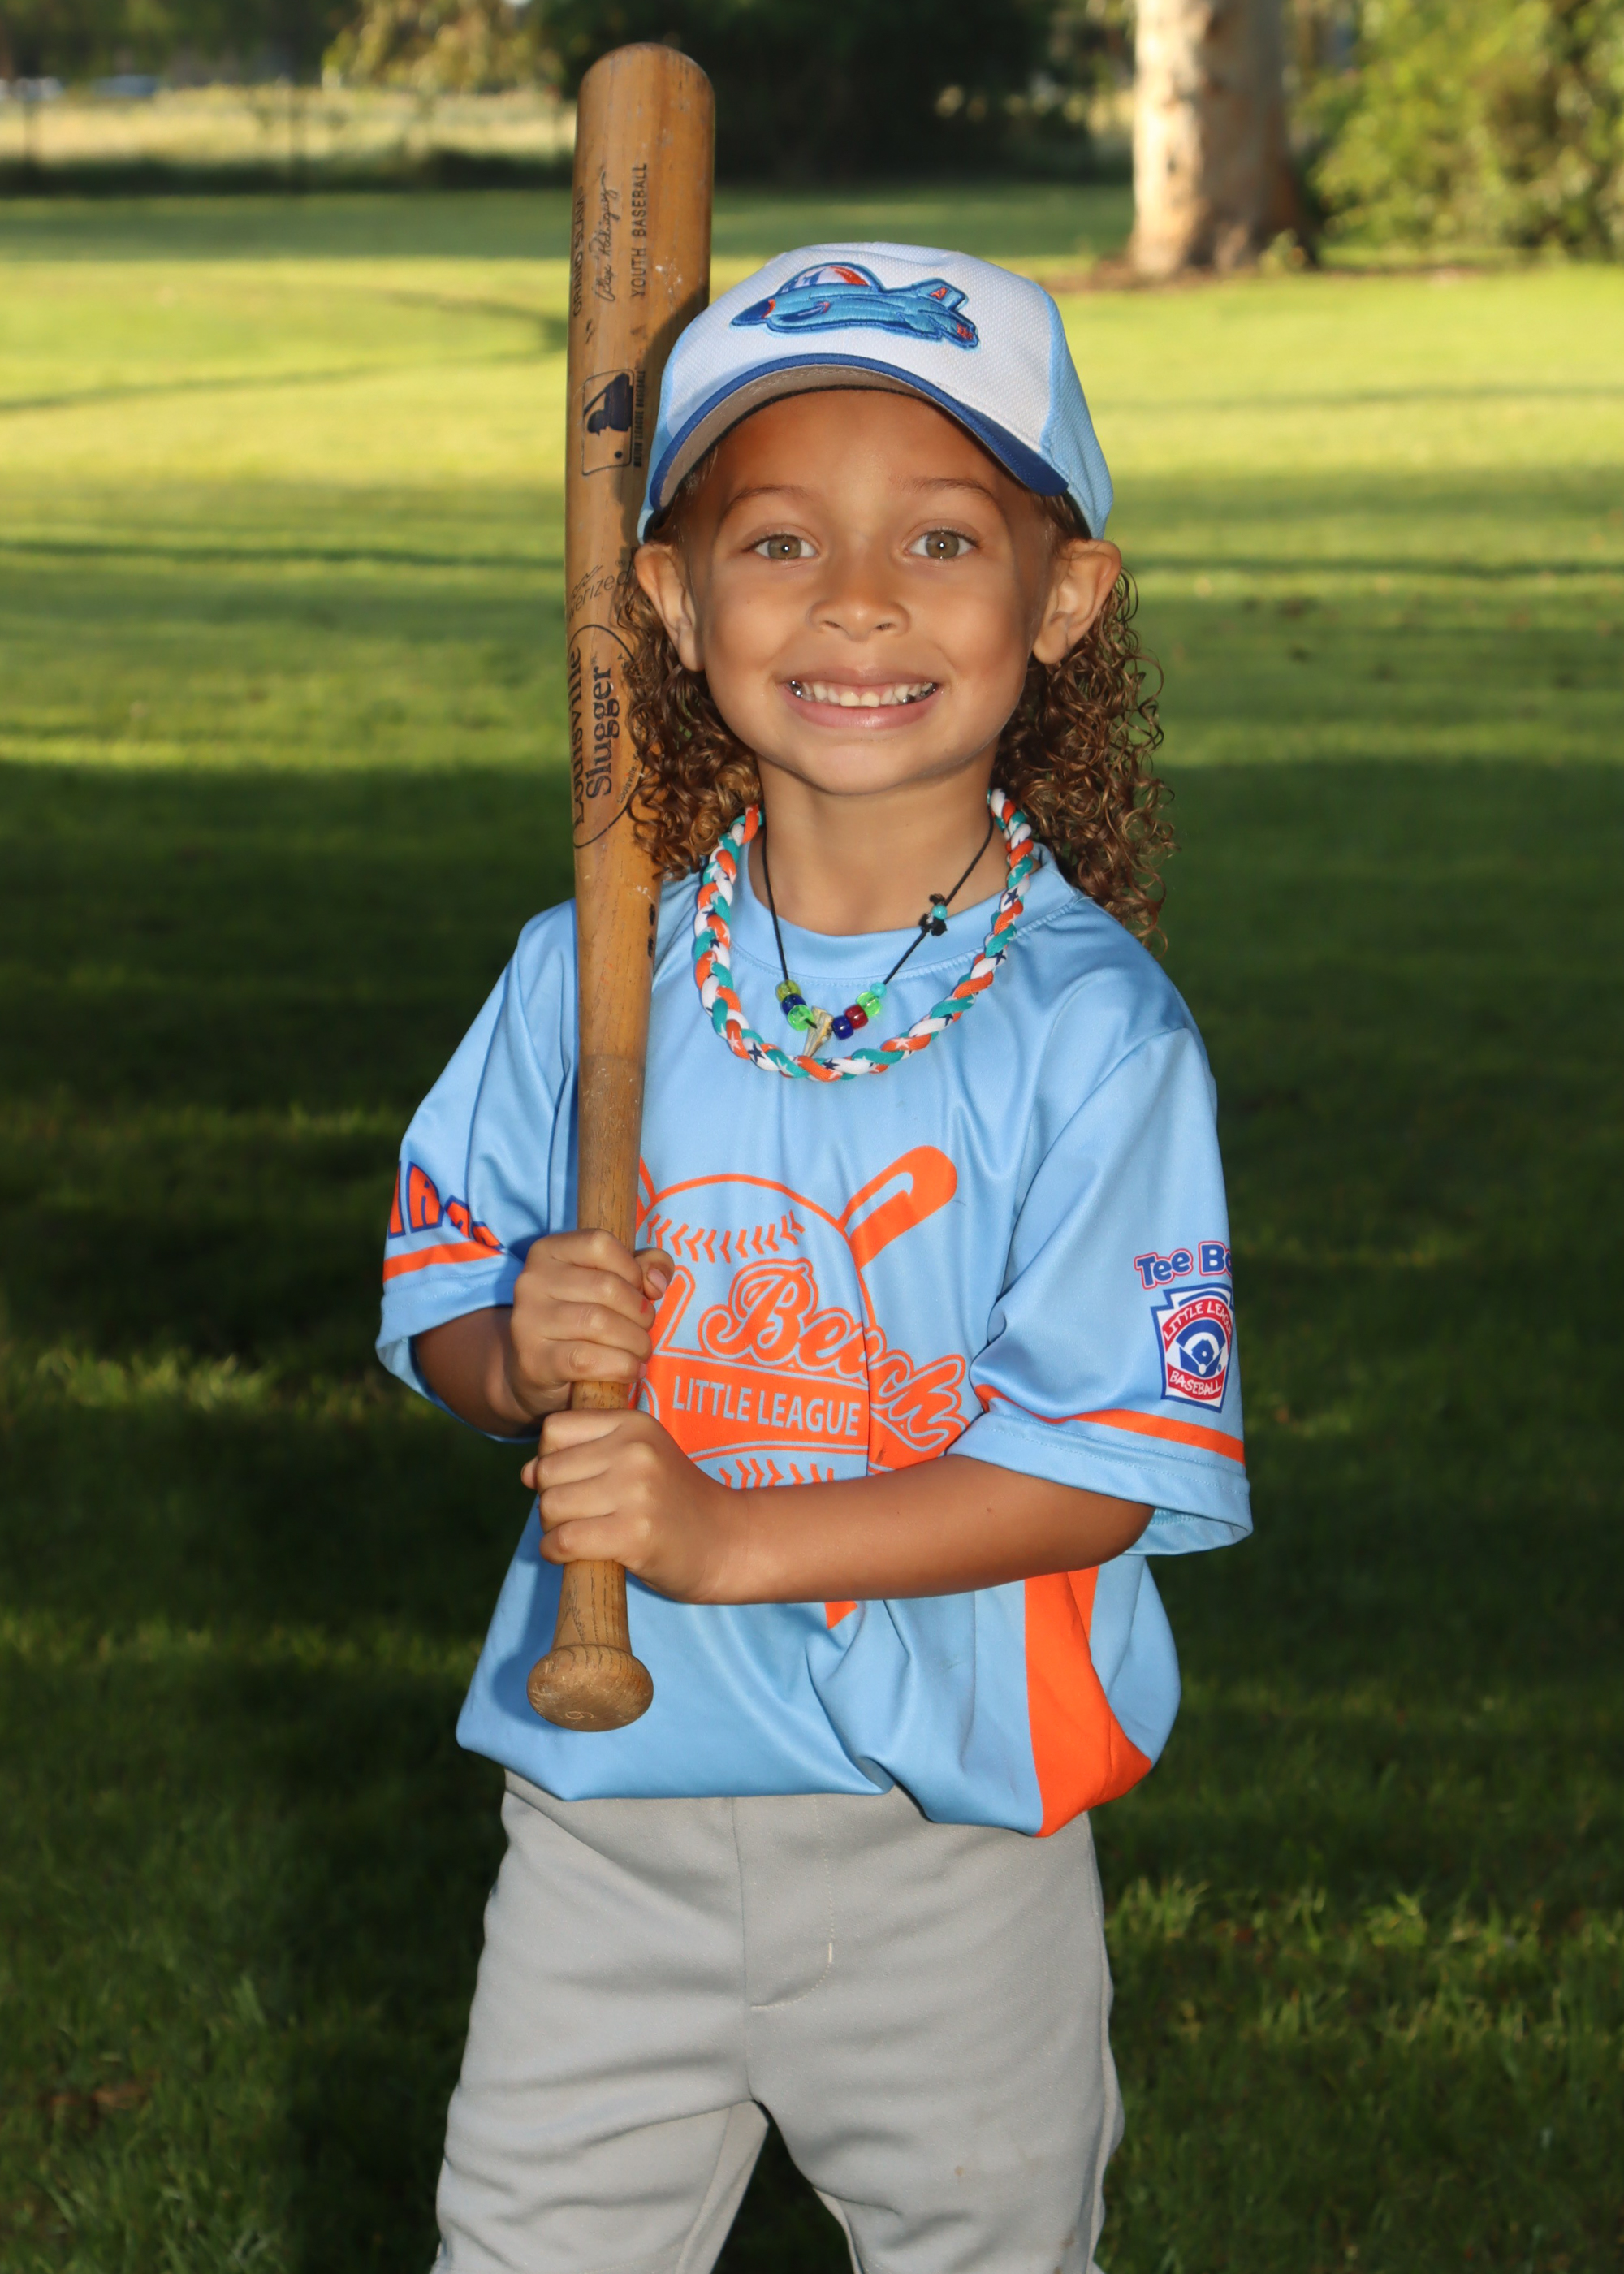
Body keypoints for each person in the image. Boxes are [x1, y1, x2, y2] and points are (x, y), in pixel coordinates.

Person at [378, 243, 1251, 2274]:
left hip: (948, 1836)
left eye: (940, 537)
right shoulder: (586, 972)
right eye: (778, 541)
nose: (858, 599)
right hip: (605, 1804)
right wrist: (516, 1344)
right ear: (674, 601)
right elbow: (440, 1303)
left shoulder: (1092, 1034)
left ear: (1061, 597)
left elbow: (1099, 1466)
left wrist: (728, 1538)